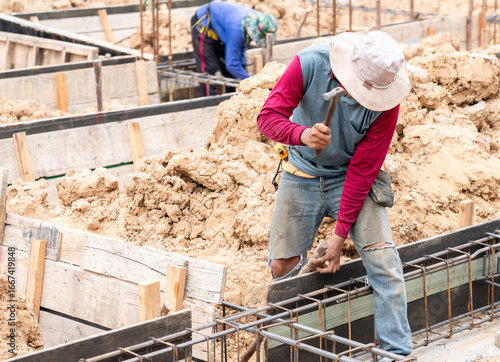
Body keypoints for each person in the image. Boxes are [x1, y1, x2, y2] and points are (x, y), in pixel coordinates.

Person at [257, 30, 413, 357]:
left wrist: (340, 236)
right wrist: (301, 134)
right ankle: (292, 349)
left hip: (350, 177)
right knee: (284, 270)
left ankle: (396, 352)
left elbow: (363, 169)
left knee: (385, 263)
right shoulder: (308, 64)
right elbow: (267, 119)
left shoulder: (387, 100)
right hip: (302, 172)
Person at [191, 1, 278, 96]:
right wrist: (251, 81)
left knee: (230, 70)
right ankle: (207, 104)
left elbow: (241, 49)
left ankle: (230, 101)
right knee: (208, 69)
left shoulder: (253, 20)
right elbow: (231, 64)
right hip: (204, 24)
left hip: (222, 29)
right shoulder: (237, 28)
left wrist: (245, 75)